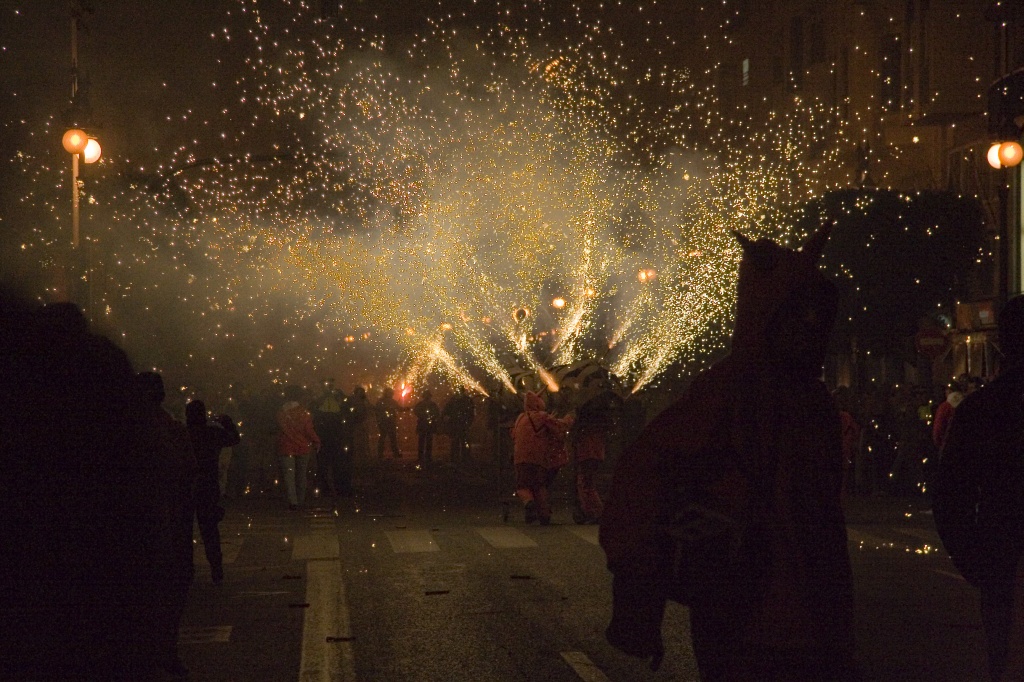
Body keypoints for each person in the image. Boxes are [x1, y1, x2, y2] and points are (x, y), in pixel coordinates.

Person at [600, 225, 856, 680]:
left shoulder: (810, 400)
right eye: (798, 318)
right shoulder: (731, 391)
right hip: (744, 602)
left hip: (807, 607)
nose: (808, 332)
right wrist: (642, 585)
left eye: (815, 321)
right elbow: (647, 471)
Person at [933, 294, 1024, 681]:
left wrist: (974, 559)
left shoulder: (982, 409)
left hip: (1001, 553)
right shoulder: (982, 409)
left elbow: (949, 494)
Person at [138, 372, 197, 678]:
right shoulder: (169, 429)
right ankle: (163, 651)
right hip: (163, 522)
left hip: (158, 522)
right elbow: (188, 471)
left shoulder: (121, 429)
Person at [186, 399, 240, 584]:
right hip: (208, 485)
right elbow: (234, 438)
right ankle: (216, 568)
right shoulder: (212, 433)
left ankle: (187, 570)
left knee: (184, 531)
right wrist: (227, 422)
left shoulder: (183, 433)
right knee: (209, 531)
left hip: (186, 485)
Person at [511, 391, 572, 525]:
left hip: (520, 457)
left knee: (522, 486)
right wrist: (568, 419)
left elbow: (514, 435)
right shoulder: (543, 417)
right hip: (538, 457)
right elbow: (559, 427)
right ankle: (544, 515)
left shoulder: (520, 418)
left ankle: (529, 503)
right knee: (539, 486)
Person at [276, 386, 321, 510]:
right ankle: (301, 500)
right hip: (302, 446)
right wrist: (316, 441)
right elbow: (308, 430)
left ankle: (293, 501)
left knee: (289, 476)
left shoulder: (281, 413)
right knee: (301, 475)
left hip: (286, 447)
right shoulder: (304, 412)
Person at [312, 379, 353, 497]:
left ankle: (337, 488)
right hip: (329, 436)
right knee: (327, 465)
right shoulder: (322, 400)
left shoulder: (335, 397)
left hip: (333, 436)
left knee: (333, 464)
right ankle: (328, 488)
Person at [443, 388, 476, 469]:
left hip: (463, 424)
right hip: (457, 424)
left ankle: (464, 459)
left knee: (463, 442)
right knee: (456, 442)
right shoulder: (455, 400)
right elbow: (446, 411)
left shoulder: (464, 400)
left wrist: (469, 422)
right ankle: (457, 459)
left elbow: (472, 412)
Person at [932, 381, 965, 452]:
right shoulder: (967, 404)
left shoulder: (944, 407)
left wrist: (941, 445)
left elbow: (938, 429)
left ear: (949, 391)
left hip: (948, 446)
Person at [413, 390, 442, 468]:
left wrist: (430, 417)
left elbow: (437, 413)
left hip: (426, 424)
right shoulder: (430, 404)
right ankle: (424, 457)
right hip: (425, 424)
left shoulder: (428, 404)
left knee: (425, 441)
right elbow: (416, 411)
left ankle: (424, 457)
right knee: (425, 441)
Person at [375, 387, 404, 460]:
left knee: (393, 438)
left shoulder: (392, 401)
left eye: (391, 393)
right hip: (383, 422)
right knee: (383, 437)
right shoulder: (381, 401)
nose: (391, 394)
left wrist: (407, 408)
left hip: (391, 422)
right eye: (389, 392)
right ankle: (380, 454)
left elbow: (399, 408)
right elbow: (377, 411)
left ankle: (395, 453)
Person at [349, 385, 372, 463]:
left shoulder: (365, 400)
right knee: (356, 439)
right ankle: (356, 456)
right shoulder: (352, 399)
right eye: (360, 392)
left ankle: (364, 455)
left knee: (364, 439)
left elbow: (369, 408)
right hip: (355, 422)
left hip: (363, 421)